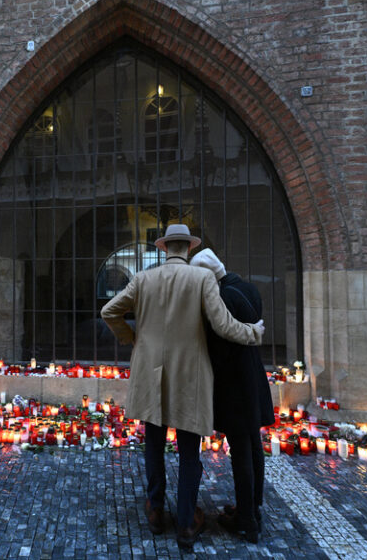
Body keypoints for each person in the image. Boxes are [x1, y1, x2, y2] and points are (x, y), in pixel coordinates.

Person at [100, 224, 265, 550]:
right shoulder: (202, 279)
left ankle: (156, 510)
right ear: (187, 249)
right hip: (191, 376)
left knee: (154, 443)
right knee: (190, 450)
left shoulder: (144, 279)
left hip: (151, 374)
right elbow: (224, 325)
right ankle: (187, 523)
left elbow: (109, 310)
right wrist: (254, 333)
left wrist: (131, 338)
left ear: (164, 249)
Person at [190, 248, 274, 544]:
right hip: (253, 377)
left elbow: (221, 345)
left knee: (241, 452)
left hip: (235, 385)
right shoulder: (248, 287)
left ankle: (247, 521)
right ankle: (253, 508)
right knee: (253, 446)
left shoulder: (223, 298)